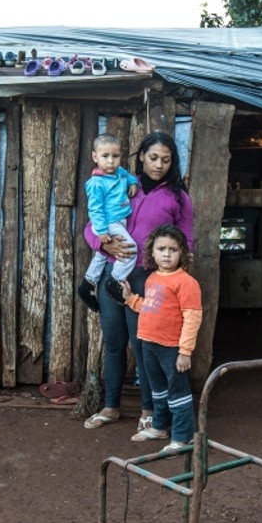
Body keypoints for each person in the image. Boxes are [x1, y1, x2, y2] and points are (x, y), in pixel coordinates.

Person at [81, 132, 195, 433]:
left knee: (144, 344)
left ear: (173, 163)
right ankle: (111, 406)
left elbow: (187, 241)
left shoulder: (177, 197)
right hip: (112, 274)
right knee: (115, 343)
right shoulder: (120, 183)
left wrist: (175, 282)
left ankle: (149, 409)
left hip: (149, 280)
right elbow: (92, 226)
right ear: (141, 156)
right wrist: (102, 245)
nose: (158, 165)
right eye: (153, 157)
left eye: (166, 160)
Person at [120, 225, 202, 452]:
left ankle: (183, 436)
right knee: (158, 389)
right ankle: (159, 427)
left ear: (182, 253)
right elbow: (151, 308)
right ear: (152, 252)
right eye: (161, 249)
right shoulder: (153, 278)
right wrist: (130, 299)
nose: (167, 254)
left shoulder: (186, 282)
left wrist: (185, 352)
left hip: (172, 347)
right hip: (149, 344)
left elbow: (193, 318)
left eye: (173, 249)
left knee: (178, 391)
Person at [77, 133, 140, 310]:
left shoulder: (119, 173)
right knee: (131, 250)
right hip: (108, 223)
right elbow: (94, 209)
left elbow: (128, 176)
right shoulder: (96, 183)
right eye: (105, 156)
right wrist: (102, 231)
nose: (111, 161)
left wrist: (133, 183)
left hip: (119, 221)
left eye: (115, 156)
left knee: (103, 254)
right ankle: (115, 281)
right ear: (94, 157)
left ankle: (88, 283)